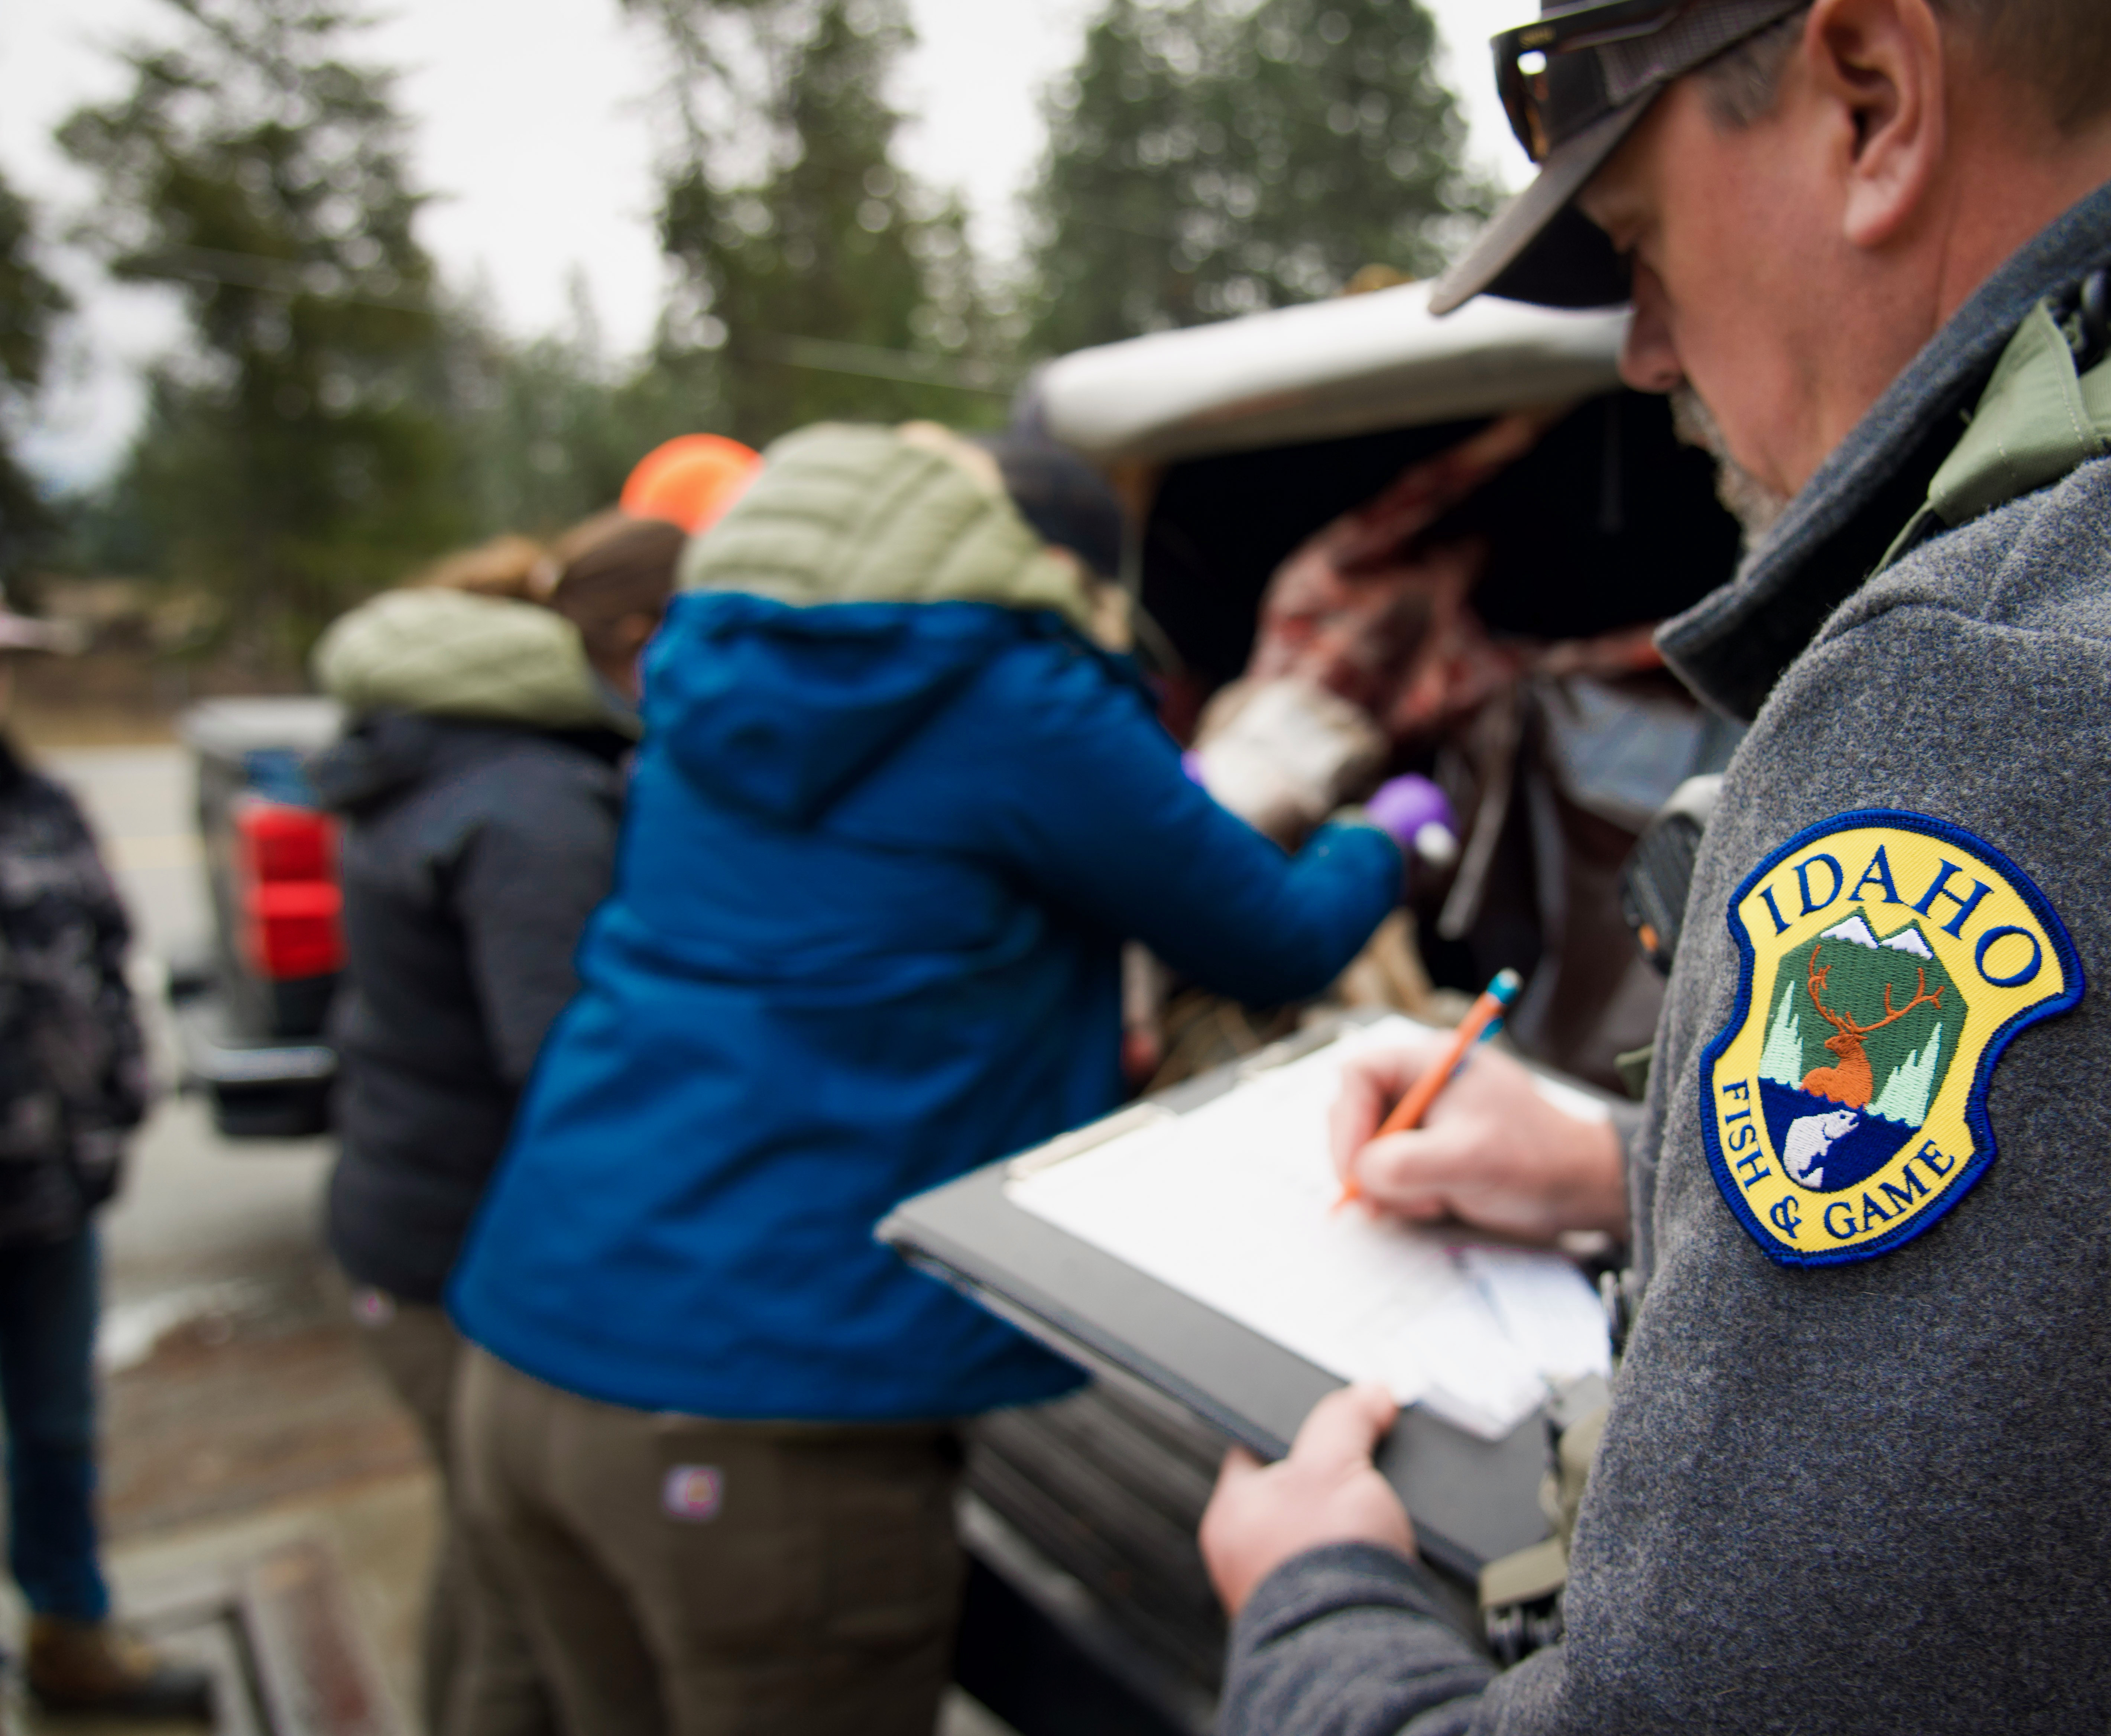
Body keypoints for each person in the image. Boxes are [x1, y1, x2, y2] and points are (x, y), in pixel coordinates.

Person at [1195, 1, 2111, 1731]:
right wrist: (1624, 1164)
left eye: (1637, 242)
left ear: (1871, 100)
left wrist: (1322, 1610)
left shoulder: (2054, 677)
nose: (1642, 349)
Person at [444, 422, 1410, 1736]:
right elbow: (1271, 935)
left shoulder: (709, 677)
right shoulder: (1017, 696)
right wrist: (1381, 842)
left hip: (529, 1352)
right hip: (760, 1422)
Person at [311, 512, 682, 1736]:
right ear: (632, 642)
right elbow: (567, 1062)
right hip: (457, 1246)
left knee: (487, 1560)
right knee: (524, 1596)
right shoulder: (530, 803)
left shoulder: (447, 757)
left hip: (404, 1214)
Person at [0, 609, 213, 1719]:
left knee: (56, 1422)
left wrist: (119, 1091)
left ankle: (69, 1627)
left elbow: (99, 952)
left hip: (48, 1194)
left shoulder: (41, 806)